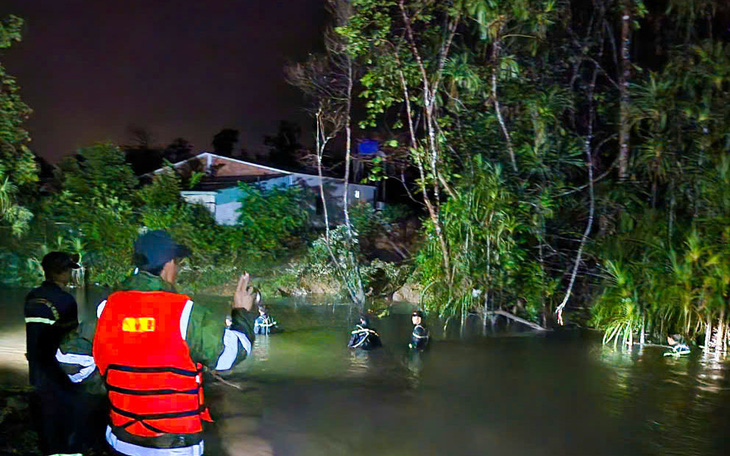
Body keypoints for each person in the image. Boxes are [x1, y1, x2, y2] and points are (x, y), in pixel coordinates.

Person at [92, 230, 258, 456]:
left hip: (120, 441)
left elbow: (71, 362)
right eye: (177, 262)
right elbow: (230, 355)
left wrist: (114, 386)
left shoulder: (106, 308)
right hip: (174, 448)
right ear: (168, 263)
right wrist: (242, 313)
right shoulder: (185, 312)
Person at [24, 251, 97, 455]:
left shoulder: (32, 297)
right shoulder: (65, 301)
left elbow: (33, 337)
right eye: (68, 270)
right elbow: (70, 342)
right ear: (63, 272)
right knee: (67, 417)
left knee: (46, 418)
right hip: (58, 370)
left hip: (37, 369)